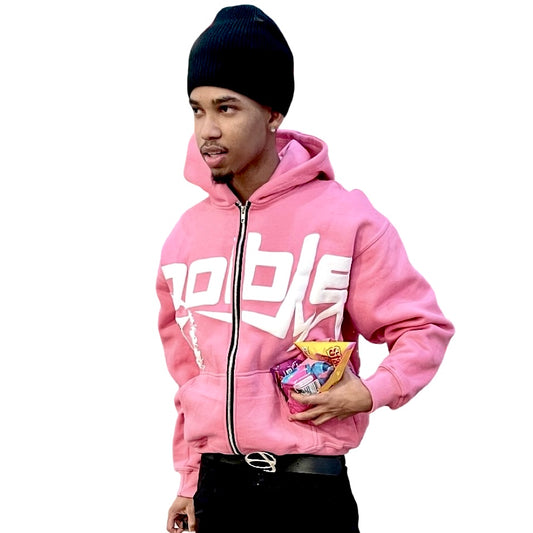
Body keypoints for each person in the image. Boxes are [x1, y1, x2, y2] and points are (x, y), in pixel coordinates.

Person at [156, 5, 454, 532]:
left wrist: (373, 390)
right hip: (217, 491)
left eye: (227, 108)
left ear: (273, 113)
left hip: (309, 493)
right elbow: (188, 374)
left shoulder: (347, 220)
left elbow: (422, 327)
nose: (208, 130)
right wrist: (188, 479)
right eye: (197, 110)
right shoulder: (186, 235)